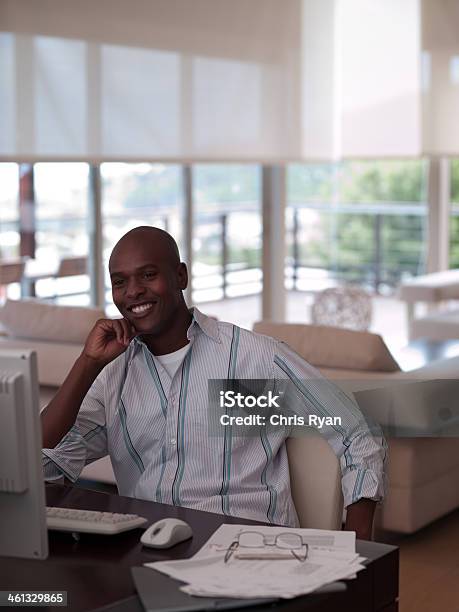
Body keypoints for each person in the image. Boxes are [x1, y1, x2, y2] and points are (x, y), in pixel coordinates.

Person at [41, 226, 386, 539]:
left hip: (250, 551)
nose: (133, 292)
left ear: (180, 276)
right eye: (119, 282)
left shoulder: (256, 358)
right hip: (150, 548)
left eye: (148, 275)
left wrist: (357, 546)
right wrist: (87, 365)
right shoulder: (113, 377)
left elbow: (357, 431)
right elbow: (41, 463)